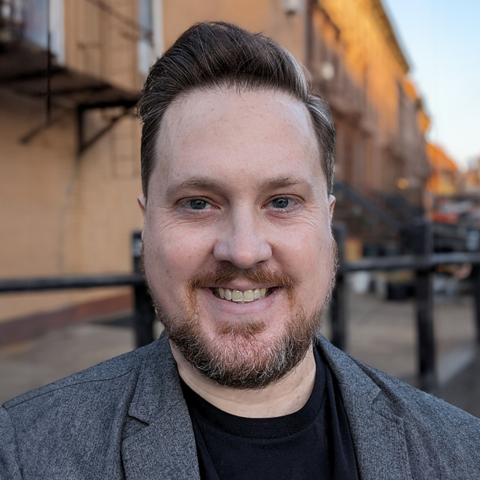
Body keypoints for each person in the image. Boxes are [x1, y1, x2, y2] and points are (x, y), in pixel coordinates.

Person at [1, 21, 479, 480]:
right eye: (198, 203)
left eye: (282, 202)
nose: (244, 251)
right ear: (146, 226)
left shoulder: (462, 452)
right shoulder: (24, 454)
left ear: (328, 222)